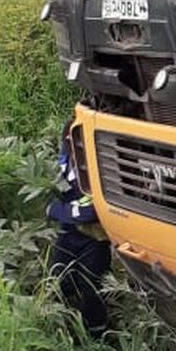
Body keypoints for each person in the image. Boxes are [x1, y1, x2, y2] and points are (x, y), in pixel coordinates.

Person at [46, 123, 113, 334]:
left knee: (92, 289)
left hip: (94, 239)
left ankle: (97, 337)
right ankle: (60, 329)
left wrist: (55, 210)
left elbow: (92, 211)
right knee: (58, 280)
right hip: (68, 232)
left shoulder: (103, 166)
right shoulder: (68, 145)